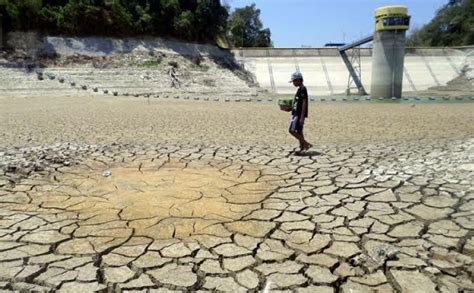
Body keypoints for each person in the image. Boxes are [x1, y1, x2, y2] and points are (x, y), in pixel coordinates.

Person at [288, 71, 312, 153]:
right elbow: (297, 103)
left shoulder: (303, 89)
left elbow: (304, 103)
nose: (293, 83)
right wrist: (290, 109)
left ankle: (306, 144)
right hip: (295, 113)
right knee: (299, 131)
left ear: (299, 80)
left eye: (294, 81)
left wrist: (302, 117)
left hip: (298, 115)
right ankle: (302, 148)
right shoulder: (299, 89)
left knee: (291, 130)